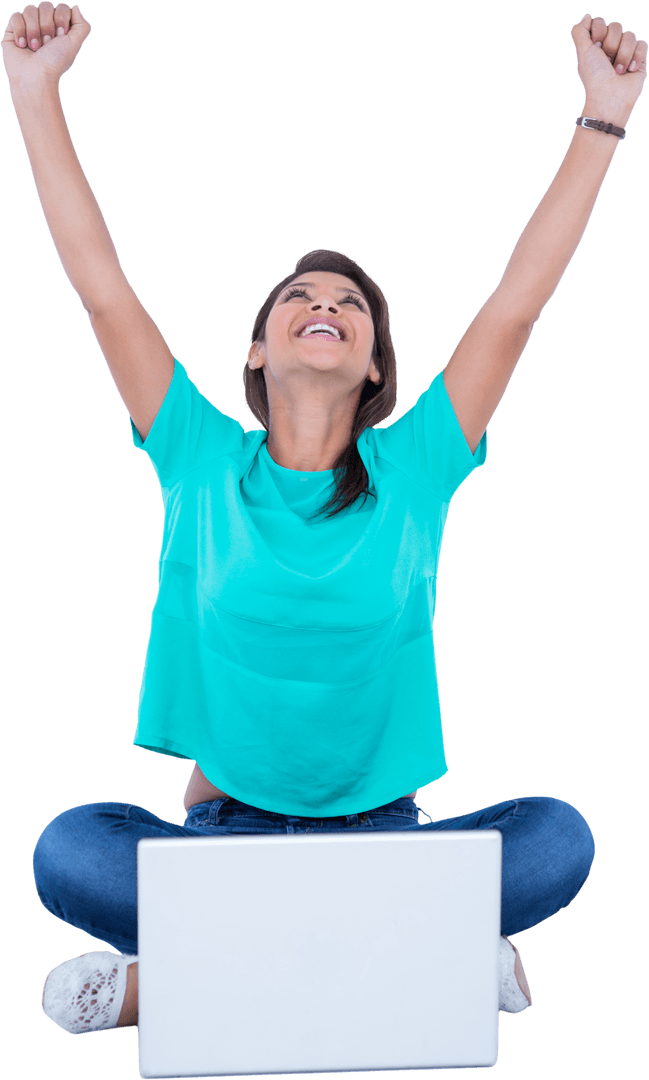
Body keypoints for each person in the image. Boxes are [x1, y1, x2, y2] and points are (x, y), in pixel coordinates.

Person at [3, 3, 646, 1040]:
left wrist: (602, 117)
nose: (325, 305)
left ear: (376, 364)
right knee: (68, 853)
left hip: (377, 833)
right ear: (257, 348)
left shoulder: (418, 465)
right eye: (299, 296)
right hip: (225, 832)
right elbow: (100, 287)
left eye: (350, 305)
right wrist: (35, 92)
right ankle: (423, 952)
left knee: (558, 840)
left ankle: (162, 986)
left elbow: (515, 304)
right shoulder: (199, 456)